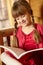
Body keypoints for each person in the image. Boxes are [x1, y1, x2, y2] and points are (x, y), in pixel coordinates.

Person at [5, 0, 43, 65]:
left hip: (36, 60)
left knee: (32, 61)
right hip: (22, 60)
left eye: (23, 16)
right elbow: (15, 49)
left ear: (30, 13)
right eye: (18, 19)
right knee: (6, 55)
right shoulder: (17, 32)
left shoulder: (39, 28)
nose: (21, 20)